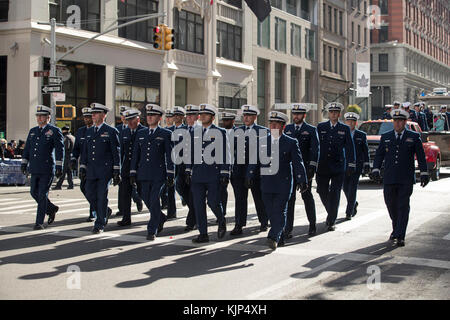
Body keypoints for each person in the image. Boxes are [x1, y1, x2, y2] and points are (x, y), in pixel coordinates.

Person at [247, 111, 308, 250]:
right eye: (271, 123)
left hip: (283, 183)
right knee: (270, 212)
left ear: (283, 127)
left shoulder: (291, 142)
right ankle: (279, 236)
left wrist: (302, 179)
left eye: (276, 124)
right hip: (267, 183)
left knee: (280, 211)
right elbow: (254, 160)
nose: (273, 126)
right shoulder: (262, 142)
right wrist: (249, 175)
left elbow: (298, 163)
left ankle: (273, 236)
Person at [371, 108, 429, 247]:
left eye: (400, 121)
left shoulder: (413, 136)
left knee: (403, 206)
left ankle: (400, 235)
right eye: (395, 121)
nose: (397, 124)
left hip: (405, 178)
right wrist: (375, 169)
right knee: (391, 205)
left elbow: (420, 156)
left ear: (405, 122)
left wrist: (424, 173)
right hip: (390, 177)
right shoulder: (386, 136)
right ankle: (396, 228)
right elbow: (379, 155)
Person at [185, 103, 230, 243]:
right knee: (198, 205)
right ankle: (203, 233)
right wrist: (188, 169)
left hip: (213, 174)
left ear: (212, 117)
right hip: (197, 174)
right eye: (201, 114)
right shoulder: (195, 132)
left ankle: (221, 220)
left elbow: (225, 153)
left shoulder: (220, 132)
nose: (202, 116)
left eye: (206, 114)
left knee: (213, 202)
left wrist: (224, 173)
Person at [130, 104, 174, 240]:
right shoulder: (141, 133)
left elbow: (170, 155)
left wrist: (171, 173)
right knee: (146, 198)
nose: (149, 117)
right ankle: (160, 217)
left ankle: (152, 229)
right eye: (148, 115)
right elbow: (136, 155)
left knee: (154, 200)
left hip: (158, 174)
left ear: (159, 118)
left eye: (153, 115)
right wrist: (132, 172)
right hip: (143, 172)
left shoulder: (166, 134)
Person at [79, 103, 121, 234]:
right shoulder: (89, 131)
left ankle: (100, 223)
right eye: (92, 113)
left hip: (104, 170)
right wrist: (82, 167)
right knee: (90, 193)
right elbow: (85, 151)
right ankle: (105, 211)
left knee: (101, 196)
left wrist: (116, 171)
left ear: (103, 115)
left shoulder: (111, 131)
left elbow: (116, 152)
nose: (93, 115)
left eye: (95, 113)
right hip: (91, 170)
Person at [21, 105, 64, 229]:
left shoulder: (54, 131)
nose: (39, 118)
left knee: (42, 194)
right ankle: (51, 208)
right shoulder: (33, 131)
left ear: (48, 117)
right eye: (38, 116)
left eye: (42, 116)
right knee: (33, 192)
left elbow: (60, 149)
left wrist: (60, 166)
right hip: (35, 167)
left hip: (47, 167)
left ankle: (39, 222)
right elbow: (28, 148)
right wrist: (24, 162)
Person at [316, 102, 356, 231]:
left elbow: (350, 148)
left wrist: (351, 164)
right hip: (322, 165)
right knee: (321, 190)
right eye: (331, 112)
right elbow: (315, 146)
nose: (333, 114)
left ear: (339, 114)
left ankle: (331, 220)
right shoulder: (321, 127)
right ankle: (331, 211)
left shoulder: (344, 129)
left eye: (335, 112)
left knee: (335, 193)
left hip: (338, 166)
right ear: (328, 113)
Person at [230, 105, 269, 236]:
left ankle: (264, 222)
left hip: (256, 172)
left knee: (259, 198)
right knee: (240, 199)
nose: (246, 118)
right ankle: (238, 224)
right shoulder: (236, 131)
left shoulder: (263, 131)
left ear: (255, 117)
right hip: (239, 172)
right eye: (244, 116)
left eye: (249, 116)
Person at [284, 103, 319, 237]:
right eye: (294, 114)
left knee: (307, 197)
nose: (296, 116)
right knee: (290, 199)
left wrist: (312, 167)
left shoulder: (310, 129)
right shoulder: (287, 129)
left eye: (298, 114)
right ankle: (288, 229)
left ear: (304, 115)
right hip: (290, 170)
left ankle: (312, 224)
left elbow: (315, 150)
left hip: (304, 170)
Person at [117, 108, 145, 227]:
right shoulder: (124, 132)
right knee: (125, 193)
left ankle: (141, 202)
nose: (129, 123)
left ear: (138, 119)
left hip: (140, 167)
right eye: (127, 120)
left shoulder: (144, 131)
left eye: (131, 120)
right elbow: (121, 152)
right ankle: (126, 218)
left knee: (144, 192)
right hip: (127, 167)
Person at [342, 112, 370, 220]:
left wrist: (366, 164)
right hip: (344, 165)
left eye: (352, 122)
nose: (350, 123)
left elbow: (365, 150)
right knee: (345, 187)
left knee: (352, 188)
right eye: (348, 121)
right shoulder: (342, 133)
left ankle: (349, 212)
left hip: (357, 165)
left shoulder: (361, 135)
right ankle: (353, 203)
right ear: (346, 122)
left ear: (356, 123)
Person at [176, 104, 199, 231]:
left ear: (197, 117)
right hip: (181, 167)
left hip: (195, 168)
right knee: (180, 187)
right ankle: (196, 211)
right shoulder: (182, 130)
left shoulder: (202, 130)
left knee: (192, 194)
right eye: (187, 116)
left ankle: (191, 221)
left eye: (191, 115)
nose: (188, 118)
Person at [165, 106, 186, 220]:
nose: (176, 117)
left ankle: (184, 197)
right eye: (174, 115)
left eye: (178, 115)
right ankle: (171, 212)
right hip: (171, 162)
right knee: (170, 187)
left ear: (183, 117)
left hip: (182, 162)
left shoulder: (187, 129)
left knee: (181, 186)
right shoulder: (168, 131)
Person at [219, 112, 237, 218]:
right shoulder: (220, 132)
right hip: (223, 166)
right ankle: (222, 212)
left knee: (238, 194)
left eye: (228, 120)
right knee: (222, 190)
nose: (225, 122)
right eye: (224, 120)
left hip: (235, 166)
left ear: (233, 121)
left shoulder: (238, 132)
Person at [160, 109, 175, 211]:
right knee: (164, 186)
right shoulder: (163, 130)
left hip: (175, 161)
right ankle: (165, 202)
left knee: (172, 187)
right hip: (164, 162)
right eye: (167, 117)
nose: (168, 119)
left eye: (170, 117)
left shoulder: (176, 129)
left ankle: (171, 209)